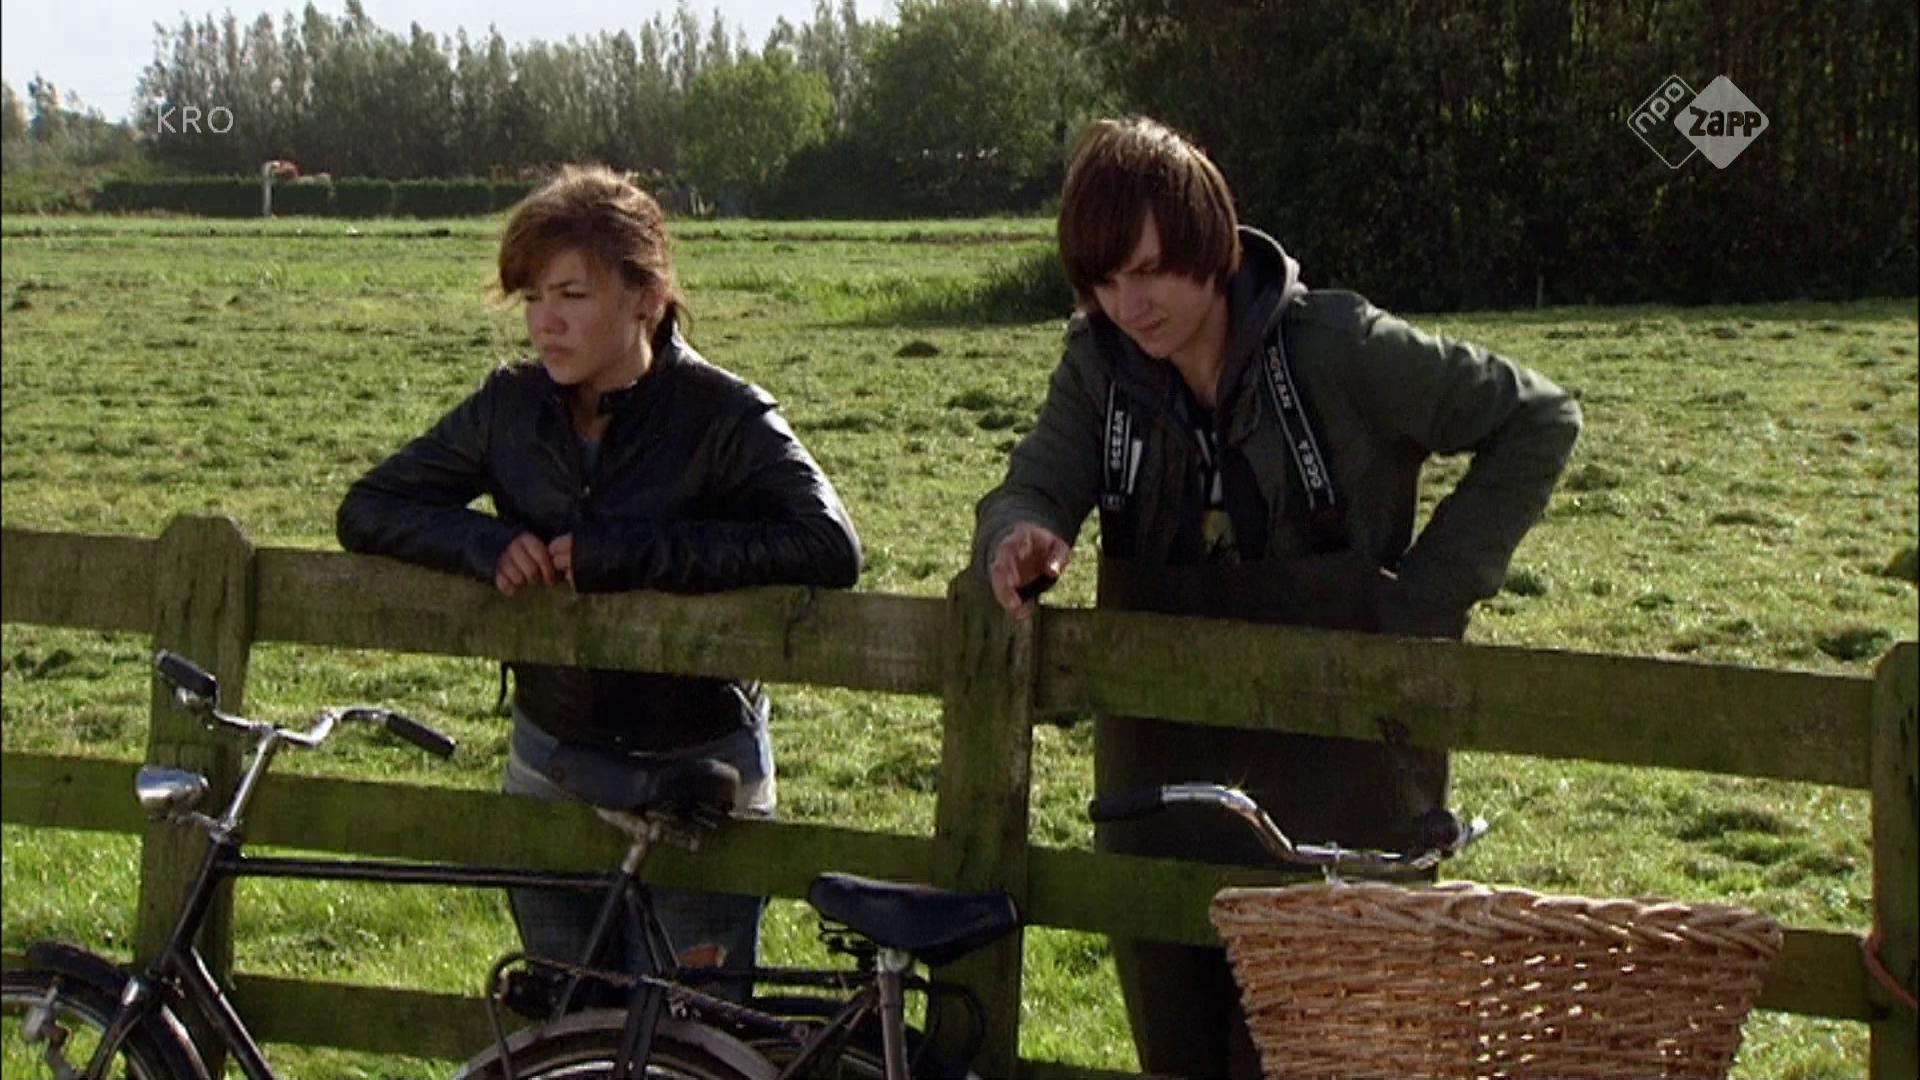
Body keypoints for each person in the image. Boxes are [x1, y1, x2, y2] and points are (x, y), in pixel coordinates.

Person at [972, 117, 1581, 1078]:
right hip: (1158, 795)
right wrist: (1020, 533)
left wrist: (1424, 602)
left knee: (1317, 1059)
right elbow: (1033, 485)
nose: (1130, 304)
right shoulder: (1098, 367)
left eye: (1150, 271)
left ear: (1210, 246)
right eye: (1105, 281)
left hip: (1343, 785)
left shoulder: (1340, 347)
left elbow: (1538, 417)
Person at [337, 163, 861, 1003]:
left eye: (572, 295)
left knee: (695, 1036)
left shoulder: (723, 416)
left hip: (699, 768)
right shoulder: (509, 409)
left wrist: (629, 554)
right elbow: (369, 507)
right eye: (533, 297)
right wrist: (486, 542)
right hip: (553, 759)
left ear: (646, 296)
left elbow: (829, 544)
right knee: (566, 1024)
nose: (545, 322)